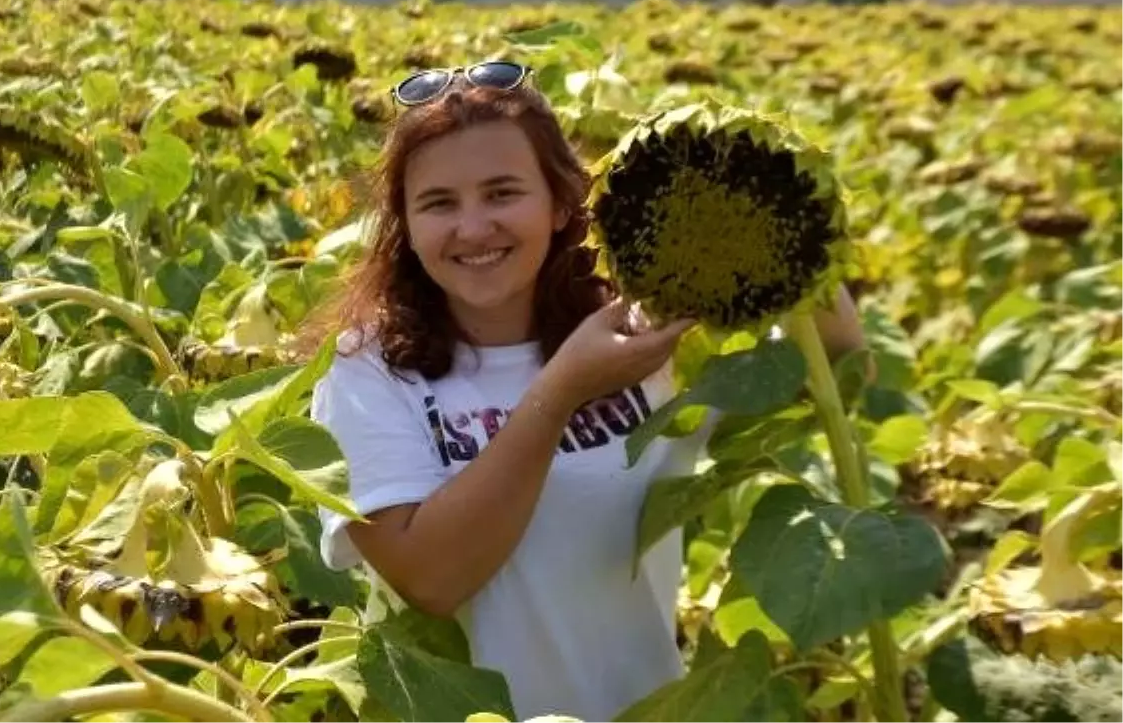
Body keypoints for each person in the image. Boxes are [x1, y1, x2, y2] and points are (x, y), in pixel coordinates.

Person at [304, 61, 869, 722]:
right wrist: (562, 392)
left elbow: (834, 368)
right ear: (403, 221)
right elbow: (429, 576)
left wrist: (783, 206)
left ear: (562, 201)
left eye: (503, 192)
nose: (474, 227)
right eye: (439, 203)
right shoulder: (368, 372)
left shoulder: (646, 337)